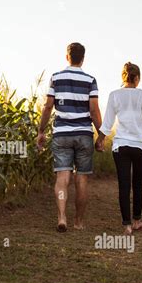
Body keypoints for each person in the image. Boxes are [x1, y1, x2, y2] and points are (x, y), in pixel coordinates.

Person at [37, 43, 102, 232]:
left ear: (67, 57)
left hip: (62, 134)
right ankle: (79, 222)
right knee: (81, 180)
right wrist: (101, 135)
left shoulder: (56, 78)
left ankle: (62, 217)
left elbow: (48, 106)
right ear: (83, 58)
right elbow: (94, 110)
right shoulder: (90, 80)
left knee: (62, 177)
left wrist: (41, 131)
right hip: (83, 135)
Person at [96, 62, 142, 235]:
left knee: (124, 185)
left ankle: (126, 225)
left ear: (123, 77)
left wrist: (100, 140)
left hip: (121, 146)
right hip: (141, 146)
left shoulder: (114, 95)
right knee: (138, 185)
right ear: (137, 78)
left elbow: (108, 123)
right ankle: (137, 220)